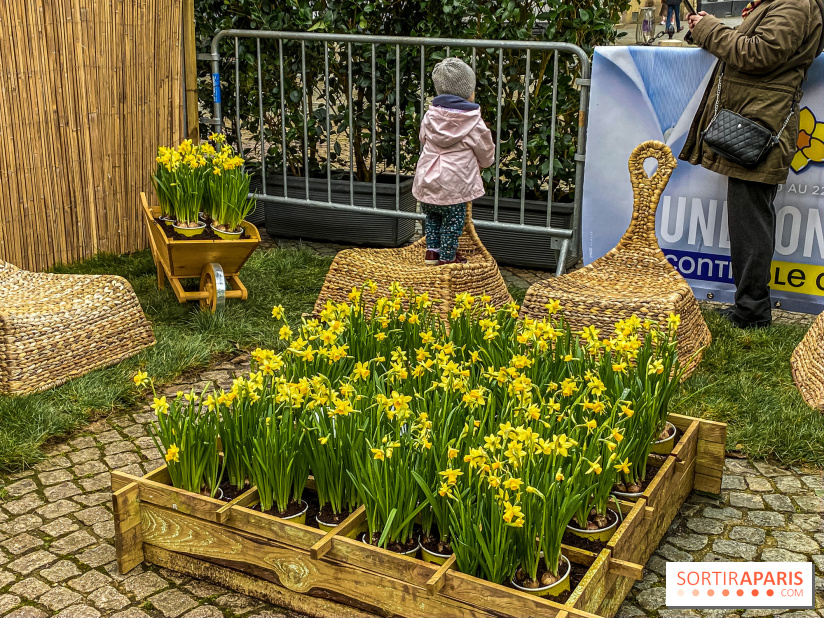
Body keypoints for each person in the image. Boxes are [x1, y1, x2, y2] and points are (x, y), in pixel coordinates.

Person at [681, 0, 824, 328]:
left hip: (762, 124)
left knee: (751, 222)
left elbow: (759, 54)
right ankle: (750, 307)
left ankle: (752, 312)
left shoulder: (796, 3)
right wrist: (709, 28)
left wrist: (708, 29)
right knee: (749, 219)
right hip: (758, 119)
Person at [412, 57, 495, 266]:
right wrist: (486, 162)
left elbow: (423, 138)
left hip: (427, 180)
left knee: (431, 218)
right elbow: (485, 149)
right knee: (452, 222)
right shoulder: (473, 122)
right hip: (454, 184)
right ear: (469, 92)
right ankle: (448, 259)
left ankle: (432, 253)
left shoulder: (430, 116)